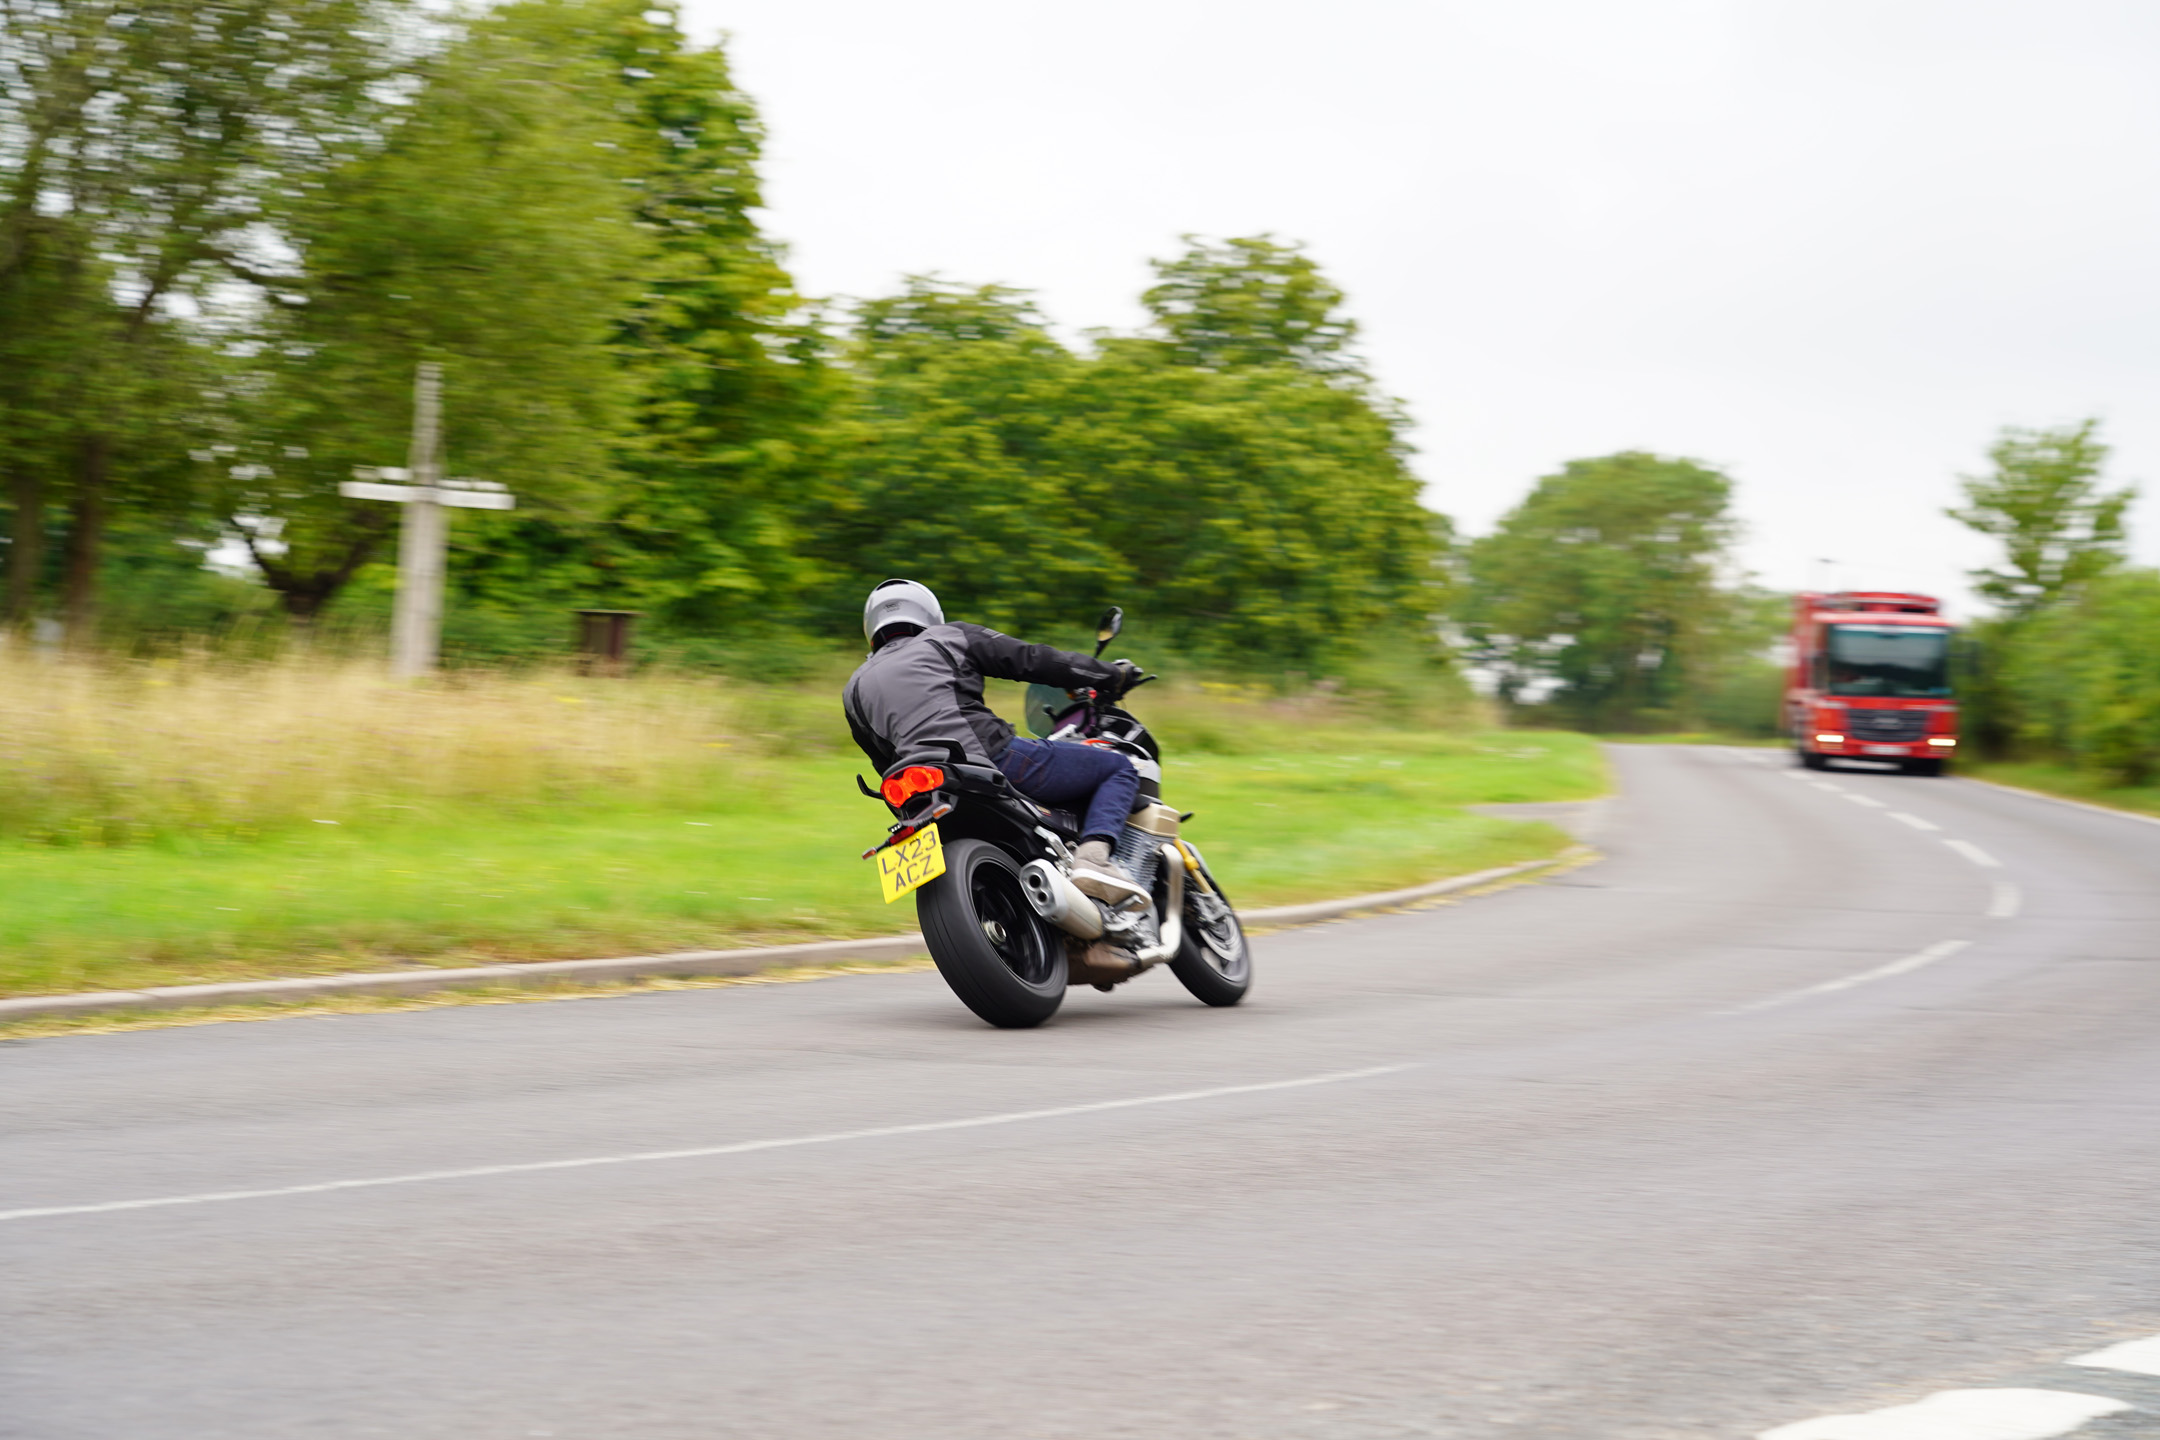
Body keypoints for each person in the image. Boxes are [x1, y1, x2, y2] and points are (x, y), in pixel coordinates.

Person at [844, 578, 1145, 900]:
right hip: (987, 756)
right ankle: (1093, 863)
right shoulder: (948, 637)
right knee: (1117, 767)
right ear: (929, 613)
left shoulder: (854, 687)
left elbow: (882, 758)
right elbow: (1036, 660)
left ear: (871, 627)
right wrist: (1111, 675)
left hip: (919, 788)